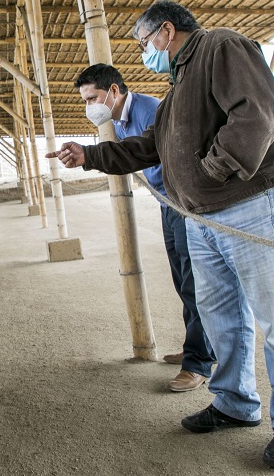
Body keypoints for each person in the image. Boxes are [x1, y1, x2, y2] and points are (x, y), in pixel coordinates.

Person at [47, 0, 274, 469]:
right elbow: (151, 147)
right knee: (219, 315)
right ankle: (235, 403)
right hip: (204, 218)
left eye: (144, 43)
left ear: (166, 31)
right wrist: (90, 156)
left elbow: (256, 116)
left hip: (248, 205)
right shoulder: (177, 89)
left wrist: (212, 173)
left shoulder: (222, 46)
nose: (144, 53)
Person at [75, 63, 215, 393]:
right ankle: (200, 347)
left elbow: (158, 153)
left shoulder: (151, 111)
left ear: (113, 91)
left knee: (194, 281)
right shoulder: (119, 121)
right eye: (84, 100)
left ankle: (197, 363)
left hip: (184, 203)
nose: (88, 107)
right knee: (182, 279)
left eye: (91, 98)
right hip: (169, 204)